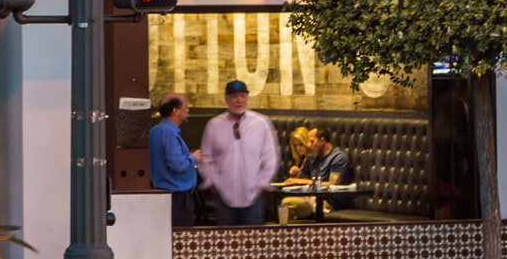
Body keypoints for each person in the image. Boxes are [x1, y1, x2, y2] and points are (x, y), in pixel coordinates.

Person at [198, 79, 279, 226]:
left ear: (247, 98)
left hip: (253, 196)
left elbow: (270, 157)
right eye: (234, 97)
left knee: (253, 244)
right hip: (224, 197)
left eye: (242, 96)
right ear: (226, 100)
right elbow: (206, 158)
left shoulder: (261, 123)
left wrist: (261, 184)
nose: (238, 100)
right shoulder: (213, 125)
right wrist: (212, 181)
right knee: (226, 244)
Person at [279, 125, 354, 223]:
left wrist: (300, 180)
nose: (308, 145)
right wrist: (295, 172)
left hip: (328, 202)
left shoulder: (338, 158)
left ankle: (288, 236)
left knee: (288, 203)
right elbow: (300, 179)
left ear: (322, 141)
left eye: (312, 142)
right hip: (310, 197)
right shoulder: (312, 158)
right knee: (281, 200)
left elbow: (333, 184)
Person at [148, 93, 201, 228]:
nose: (188, 110)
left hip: (163, 195)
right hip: (177, 198)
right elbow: (178, 165)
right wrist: (194, 157)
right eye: (186, 107)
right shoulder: (169, 133)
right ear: (175, 111)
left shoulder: (156, 130)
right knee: (180, 239)